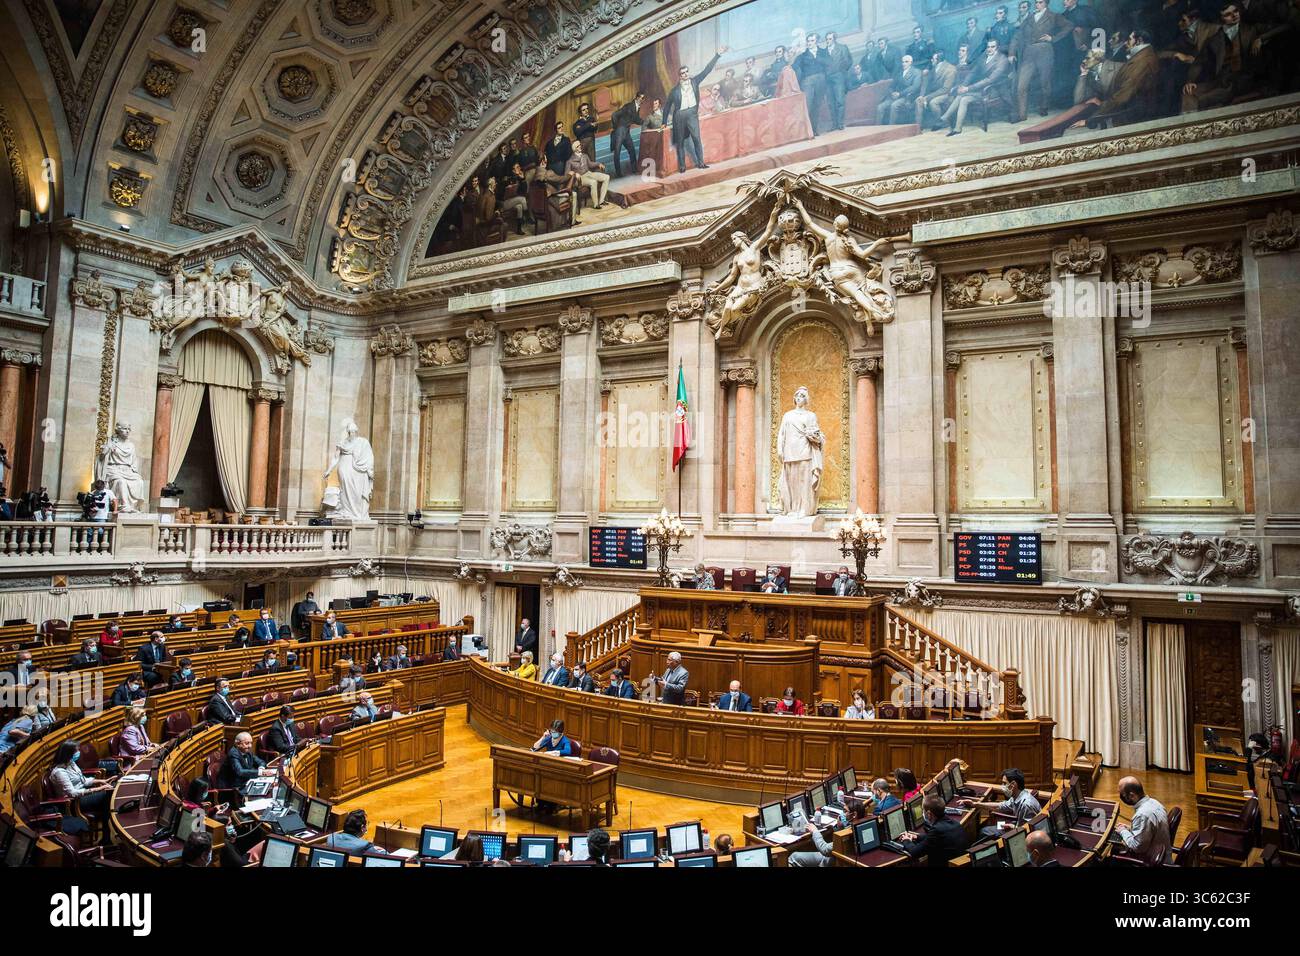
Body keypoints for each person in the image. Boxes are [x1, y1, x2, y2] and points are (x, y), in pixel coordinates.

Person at [663, 46, 726, 173]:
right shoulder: (674, 91)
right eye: (682, 73)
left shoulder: (695, 81)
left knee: (696, 138)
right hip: (679, 116)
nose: (685, 74)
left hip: (692, 113)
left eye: (686, 72)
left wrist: (717, 55)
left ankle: (701, 163)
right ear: (679, 76)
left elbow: (707, 70)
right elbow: (667, 106)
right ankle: (682, 167)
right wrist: (664, 122)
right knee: (680, 142)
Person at [938, 37, 1012, 136]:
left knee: (962, 95)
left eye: (993, 47)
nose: (990, 49)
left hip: (993, 89)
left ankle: (944, 118)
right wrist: (963, 85)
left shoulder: (1002, 59)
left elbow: (990, 80)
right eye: (988, 47)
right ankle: (957, 128)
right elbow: (973, 72)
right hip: (979, 88)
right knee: (963, 98)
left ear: (997, 47)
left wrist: (968, 88)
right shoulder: (983, 57)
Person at [1012, 0, 1072, 120]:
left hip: (1044, 51)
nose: (1037, 4)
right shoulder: (1029, 17)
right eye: (1036, 2)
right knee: (1021, 85)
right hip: (1029, 54)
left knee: (1045, 82)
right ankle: (1022, 114)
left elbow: (1069, 26)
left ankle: (1044, 106)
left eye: (1040, 2)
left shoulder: (1053, 16)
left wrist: (1053, 38)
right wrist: (1011, 52)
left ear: (1046, 3)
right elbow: (1018, 35)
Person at [49, 739, 117, 833]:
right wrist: (98, 788)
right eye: (76, 751)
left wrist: (103, 781)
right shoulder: (59, 772)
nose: (79, 753)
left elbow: (83, 781)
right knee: (107, 794)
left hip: (83, 794)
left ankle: (107, 834)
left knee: (112, 787)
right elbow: (72, 793)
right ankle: (108, 832)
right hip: (74, 802)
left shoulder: (71, 764)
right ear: (68, 754)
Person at [965, 767, 1042, 840]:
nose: (1002, 786)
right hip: (1017, 827)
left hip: (1024, 836)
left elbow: (1029, 832)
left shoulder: (1026, 805)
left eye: (1004, 783)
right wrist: (975, 804)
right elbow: (1000, 806)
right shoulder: (1018, 795)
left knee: (984, 831)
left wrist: (1013, 827)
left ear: (1013, 785)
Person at [899, 795, 970, 866]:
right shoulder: (954, 823)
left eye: (923, 810)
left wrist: (906, 840)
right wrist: (916, 837)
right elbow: (934, 839)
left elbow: (915, 852)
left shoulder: (937, 830)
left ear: (929, 814)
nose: (922, 813)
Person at [1115, 775, 1172, 862]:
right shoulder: (1154, 803)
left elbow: (1137, 847)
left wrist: (1123, 831)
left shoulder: (1143, 815)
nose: (1120, 796)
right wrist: (1130, 829)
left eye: (1122, 794)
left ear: (1131, 795)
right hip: (1161, 855)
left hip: (1151, 861)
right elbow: (1149, 831)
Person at [793, 33, 831, 135]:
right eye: (808, 41)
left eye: (812, 41)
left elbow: (829, 63)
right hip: (808, 82)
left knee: (817, 105)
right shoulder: (802, 56)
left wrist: (818, 59)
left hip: (821, 80)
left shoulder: (823, 52)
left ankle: (814, 130)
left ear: (817, 42)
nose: (809, 43)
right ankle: (806, 131)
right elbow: (793, 67)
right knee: (807, 105)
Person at [877, 53, 923, 124]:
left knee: (894, 105)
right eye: (902, 62)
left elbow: (914, 87)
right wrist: (892, 93)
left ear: (911, 62)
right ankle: (877, 128)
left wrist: (900, 94)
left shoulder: (916, 72)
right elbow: (891, 86)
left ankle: (891, 128)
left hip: (907, 97)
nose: (904, 64)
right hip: (895, 96)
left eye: (906, 62)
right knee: (880, 107)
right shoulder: (899, 73)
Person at [823, 30, 852, 130]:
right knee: (831, 103)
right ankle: (834, 124)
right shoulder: (823, 52)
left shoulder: (842, 48)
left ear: (834, 39)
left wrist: (840, 71)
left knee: (840, 101)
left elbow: (848, 61)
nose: (828, 41)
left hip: (839, 78)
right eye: (826, 39)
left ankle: (840, 123)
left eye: (830, 39)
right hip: (827, 80)